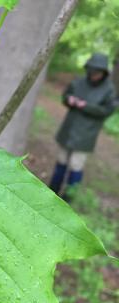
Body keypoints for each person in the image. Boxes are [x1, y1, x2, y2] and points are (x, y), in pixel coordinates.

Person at [49, 53, 117, 200]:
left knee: (76, 165)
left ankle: (68, 197)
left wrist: (86, 106)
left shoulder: (109, 90)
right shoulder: (78, 82)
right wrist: (70, 100)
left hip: (87, 133)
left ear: (104, 73)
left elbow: (107, 110)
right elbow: (66, 96)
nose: (93, 75)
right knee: (61, 161)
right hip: (69, 127)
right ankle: (52, 192)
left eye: (97, 72)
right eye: (91, 71)